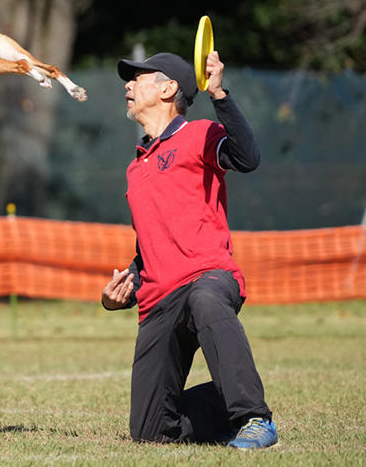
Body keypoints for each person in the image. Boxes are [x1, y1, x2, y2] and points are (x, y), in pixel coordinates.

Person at [102, 50, 277, 449]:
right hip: (158, 298)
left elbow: (248, 157)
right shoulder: (136, 167)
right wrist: (122, 291)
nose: (128, 86)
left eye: (139, 78)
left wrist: (219, 95)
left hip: (208, 276)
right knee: (150, 433)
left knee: (205, 298)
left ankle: (253, 417)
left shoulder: (199, 134)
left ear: (168, 89)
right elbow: (150, 245)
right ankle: (226, 394)